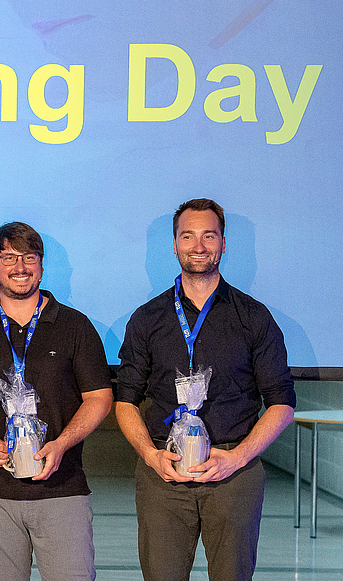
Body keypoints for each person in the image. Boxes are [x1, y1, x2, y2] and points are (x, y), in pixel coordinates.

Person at [115, 198, 295, 581]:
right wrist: (149, 455)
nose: (199, 246)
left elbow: (282, 403)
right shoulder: (147, 319)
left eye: (208, 235)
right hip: (164, 471)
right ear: (175, 245)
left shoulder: (254, 317)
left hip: (233, 470)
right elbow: (124, 400)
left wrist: (238, 458)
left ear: (223, 244)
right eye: (188, 236)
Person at [0, 222, 113, 581]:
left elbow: (99, 398)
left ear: (42, 265)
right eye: (9, 257)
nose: (20, 267)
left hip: (62, 489)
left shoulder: (76, 327)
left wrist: (62, 443)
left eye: (29, 257)